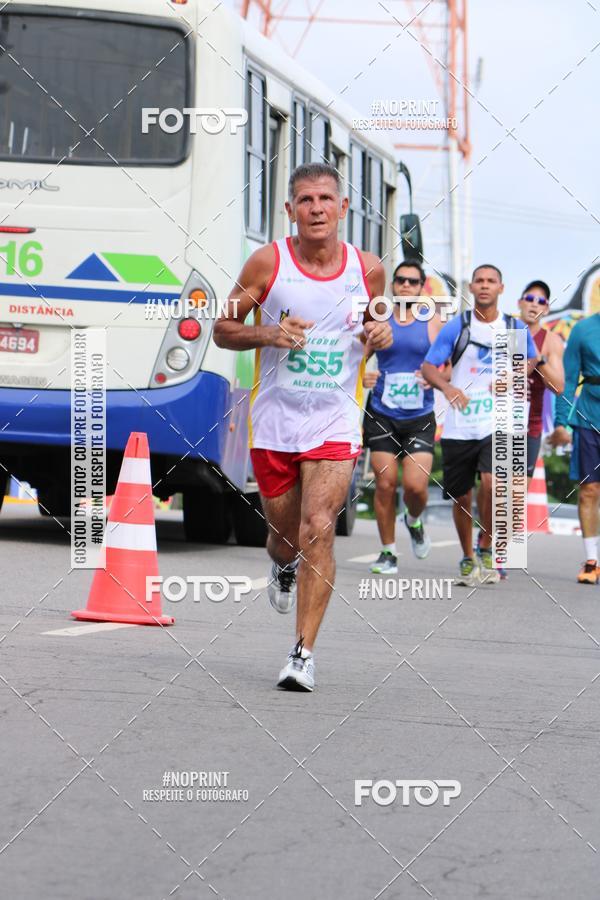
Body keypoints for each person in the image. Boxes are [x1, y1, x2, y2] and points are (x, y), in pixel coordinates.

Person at [213, 162, 391, 691]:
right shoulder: (268, 261)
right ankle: (282, 565)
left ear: (342, 209)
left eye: (325, 199)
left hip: (335, 419)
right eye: (305, 200)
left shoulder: (369, 268)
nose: (316, 208)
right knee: (284, 537)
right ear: (290, 210)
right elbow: (222, 328)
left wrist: (380, 334)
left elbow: (377, 323)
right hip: (274, 422)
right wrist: (268, 333)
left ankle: (302, 654)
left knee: (318, 527)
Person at [421, 265, 537, 586]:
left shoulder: (513, 327)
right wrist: (447, 388)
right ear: (471, 287)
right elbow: (429, 367)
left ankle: (485, 544)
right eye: (480, 281)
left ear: (501, 288)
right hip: (461, 424)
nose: (485, 286)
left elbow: (531, 360)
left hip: (497, 420)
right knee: (461, 497)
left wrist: (515, 374)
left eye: (491, 281)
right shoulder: (458, 327)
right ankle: (467, 557)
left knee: (493, 483)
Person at [362, 260, 445, 573]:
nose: (406, 286)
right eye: (400, 281)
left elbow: (446, 365)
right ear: (393, 286)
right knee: (385, 484)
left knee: (415, 487)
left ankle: (413, 520)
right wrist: (364, 377)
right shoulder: (379, 321)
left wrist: (433, 376)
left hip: (420, 415)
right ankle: (388, 553)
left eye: (412, 281)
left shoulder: (432, 323)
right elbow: (358, 359)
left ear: (421, 287)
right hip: (382, 412)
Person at [550, 311, 600, 584]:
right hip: (589, 419)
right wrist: (561, 422)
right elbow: (568, 381)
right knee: (589, 490)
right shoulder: (583, 330)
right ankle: (592, 561)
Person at [517, 280, 564, 481]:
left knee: (516, 497)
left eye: (540, 301)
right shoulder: (506, 331)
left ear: (546, 308)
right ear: (520, 302)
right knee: (492, 489)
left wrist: (538, 359)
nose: (534, 304)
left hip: (530, 426)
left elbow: (558, 386)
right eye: (529, 298)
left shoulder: (551, 340)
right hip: (498, 421)